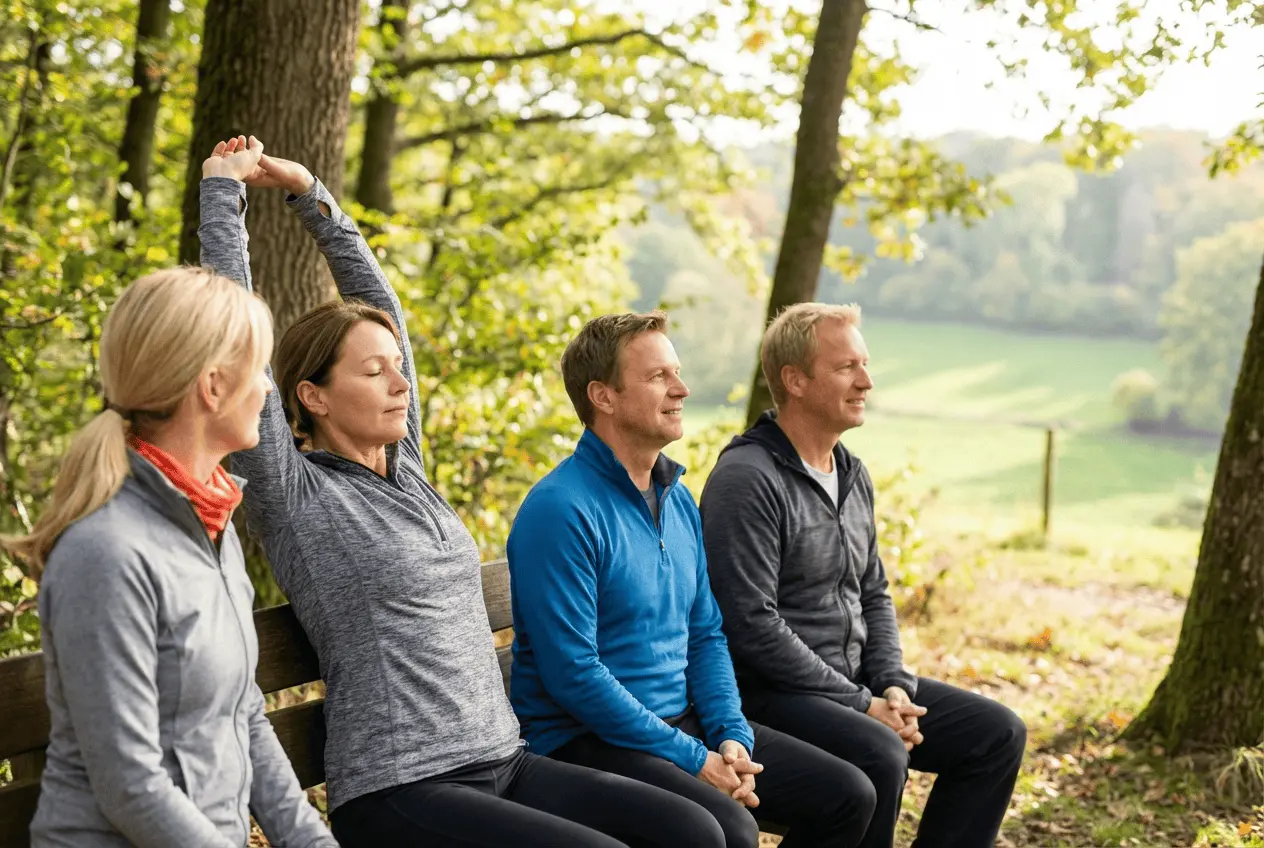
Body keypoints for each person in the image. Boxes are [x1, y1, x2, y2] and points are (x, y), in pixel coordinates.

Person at [199, 136, 722, 848]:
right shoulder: (295, 493)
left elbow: (382, 308)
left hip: (504, 760)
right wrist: (223, 194)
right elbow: (233, 340)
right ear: (313, 396)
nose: (399, 383)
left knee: (693, 829)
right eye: (374, 373)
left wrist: (311, 196)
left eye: (397, 368)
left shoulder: (406, 469)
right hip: (401, 787)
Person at [506, 310, 880, 848]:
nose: (681, 389)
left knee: (847, 793)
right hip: (583, 739)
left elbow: (705, 635)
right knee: (728, 829)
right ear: (603, 396)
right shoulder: (560, 510)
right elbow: (574, 675)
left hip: (682, 722)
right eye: (658, 376)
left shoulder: (677, 499)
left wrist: (731, 734)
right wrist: (692, 757)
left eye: (677, 373)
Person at [2, 268, 336, 847]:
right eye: (259, 368)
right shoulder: (105, 554)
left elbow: (244, 717)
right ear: (213, 387)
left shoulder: (212, 525)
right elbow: (131, 785)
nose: (268, 388)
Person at [700, 302, 1028, 848]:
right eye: (846, 367)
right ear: (795, 380)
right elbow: (750, 624)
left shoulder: (851, 472)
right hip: (772, 693)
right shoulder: (747, 479)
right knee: (881, 751)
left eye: (865, 365)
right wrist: (863, 704)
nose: (866, 382)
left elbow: (873, 591)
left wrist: (893, 684)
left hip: (855, 681)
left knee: (997, 734)